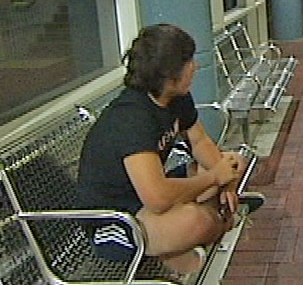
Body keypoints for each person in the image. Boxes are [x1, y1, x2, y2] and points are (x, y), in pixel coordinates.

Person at [77, 24, 244, 274]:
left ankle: (185, 240)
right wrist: (214, 178)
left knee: (234, 160)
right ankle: (199, 232)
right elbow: (157, 198)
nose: (195, 67)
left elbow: (200, 143)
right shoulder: (132, 118)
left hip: (149, 199)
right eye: (189, 62)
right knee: (196, 221)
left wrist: (226, 180)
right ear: (169, 76)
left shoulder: (176, 97)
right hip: (116, 221)